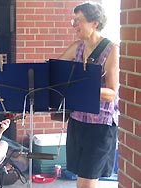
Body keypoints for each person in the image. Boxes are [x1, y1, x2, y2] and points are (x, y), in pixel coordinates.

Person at [58, 2, 119, 188]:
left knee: (87, 184)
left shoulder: (111, 50)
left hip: (100, 126)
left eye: (78, 21)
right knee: (81, 181)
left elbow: (111, 93)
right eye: (73, 20)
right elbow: (55, 72)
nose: (73, 25)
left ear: (95, 23)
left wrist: (80, 88)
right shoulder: (77, 47)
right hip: (77, 121)